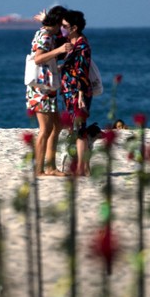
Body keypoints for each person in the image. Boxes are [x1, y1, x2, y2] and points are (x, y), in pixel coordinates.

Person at [26, 6, 71, 176]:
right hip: (40, 89)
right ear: (58, 22)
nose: (65, 27)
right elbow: (38, 59)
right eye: (63, 23)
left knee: (57, 126)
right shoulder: (45, 36)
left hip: (47, 88)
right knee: (45, 129)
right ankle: (39, 169)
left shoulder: (48, 33)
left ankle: (51, 167)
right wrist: (59, 51)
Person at [60, 10, 94, 176]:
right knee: (77, 129)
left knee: (80, 129)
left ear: (74, 28)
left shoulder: (82, 46)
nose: (62, 28)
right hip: (69, 92)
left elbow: (82, 72)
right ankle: (84, 167)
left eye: (65, 26)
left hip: (77, 93)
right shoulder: (71, 41)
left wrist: (80, 96)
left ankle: (82, 168)